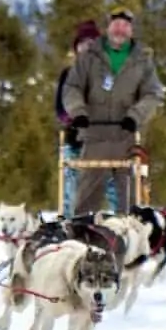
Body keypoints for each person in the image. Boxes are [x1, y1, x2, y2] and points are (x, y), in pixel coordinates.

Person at [62, 6, 165, 214]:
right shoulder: (89, 57)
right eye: (116, 24)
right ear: (108, 28)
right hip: (94, 135)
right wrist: (78, 112)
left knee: (128, 197)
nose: (120, 29)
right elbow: (72, 88)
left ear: (131, 31)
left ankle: (129, 238)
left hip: (126, 136)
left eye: (125, 26)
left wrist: (136, 115)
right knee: (87, 196)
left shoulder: (142, 61)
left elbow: (153, 93)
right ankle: (83, 235)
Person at [55, 20, 118, 217]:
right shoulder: (68, 74)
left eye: (92, 44)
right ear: (77, 48)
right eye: (83, 44)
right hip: (76, 141)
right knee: (71, 192)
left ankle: (124, 227)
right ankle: (69, 226)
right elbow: (61, 109)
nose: (87, 48)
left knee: (116, 188)